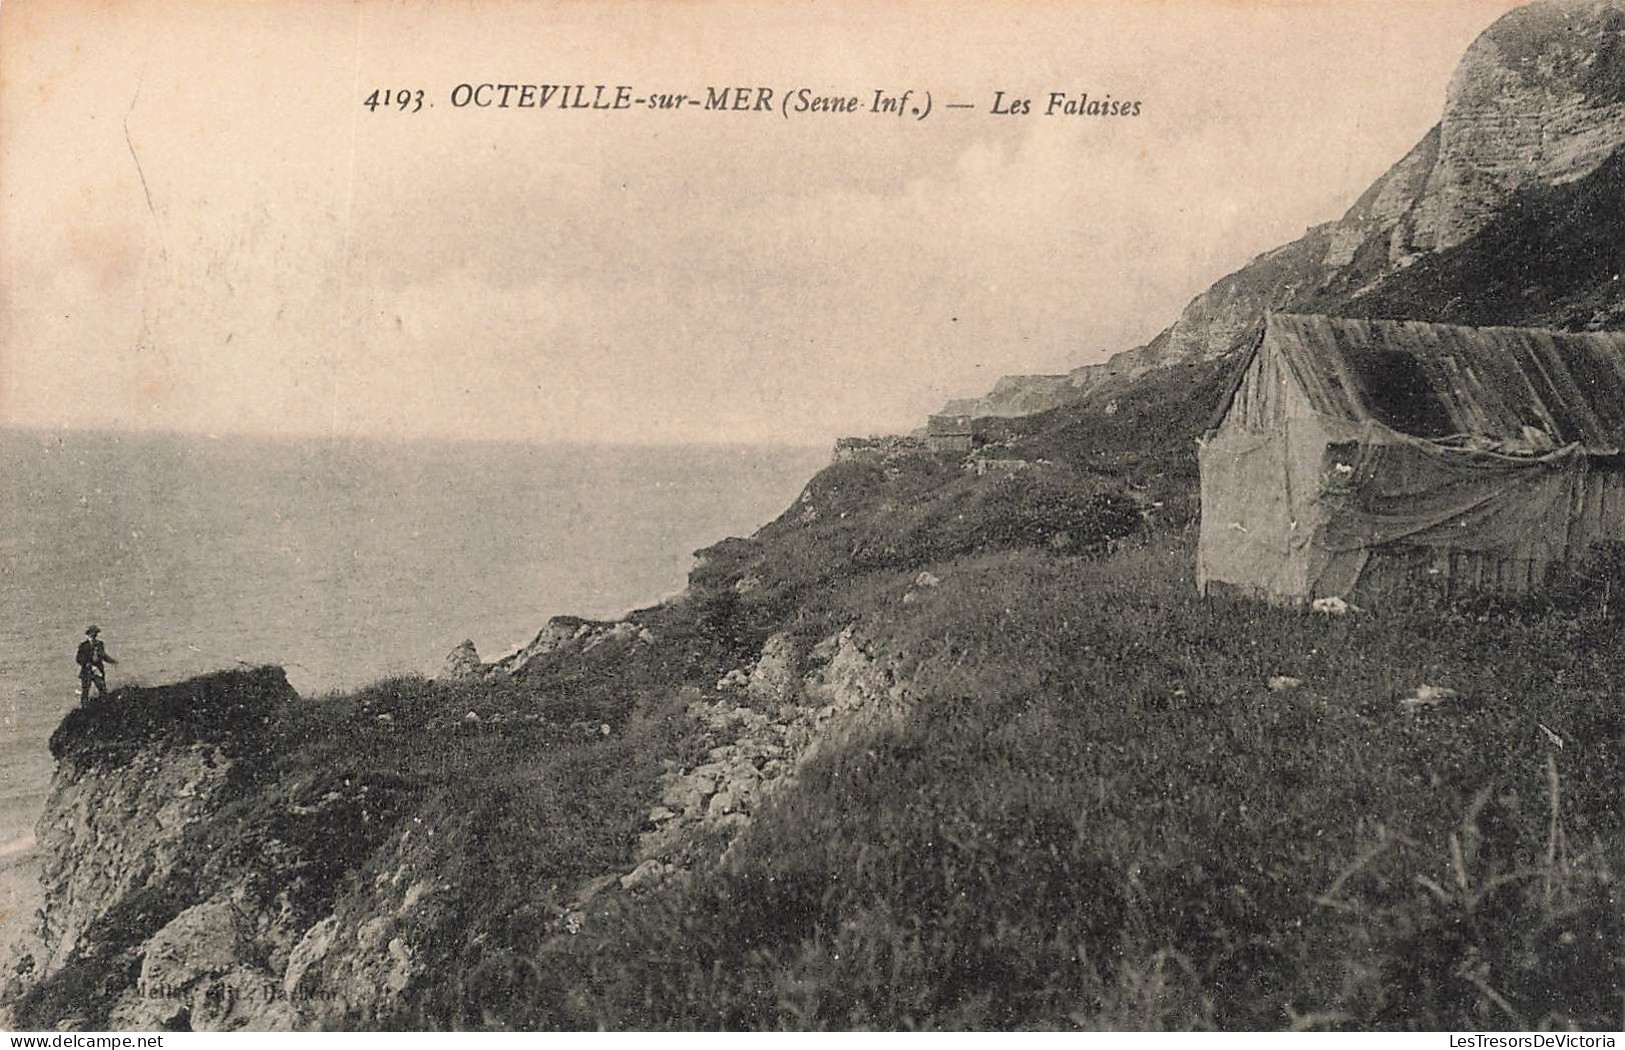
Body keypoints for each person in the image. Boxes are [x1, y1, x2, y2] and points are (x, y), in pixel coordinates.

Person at [77, 625, 116, 704]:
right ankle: (84, 706)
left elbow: (103, 655)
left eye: (96, 633)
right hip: (87, 671)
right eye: (93, 633)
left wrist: (112, 661)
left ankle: (103, 704)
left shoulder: (99, 644)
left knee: (102, 688)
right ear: (89, 634)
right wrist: (86, 664)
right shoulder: (83, 646)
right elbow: (78, 658)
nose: (94, 635)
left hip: (98, 670)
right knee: (85, 690)